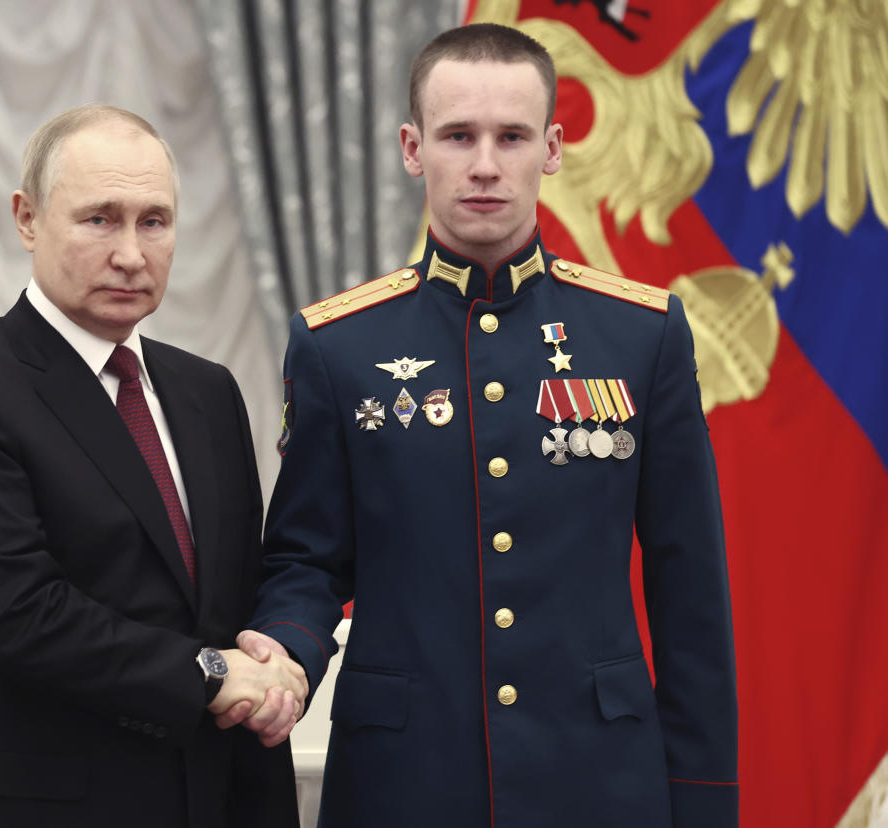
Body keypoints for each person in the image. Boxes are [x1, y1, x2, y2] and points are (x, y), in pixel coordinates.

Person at [236, 22, 737, 828]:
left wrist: (705, 802)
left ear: (553, 147)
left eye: (511, 137)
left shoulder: (642, 335)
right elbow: (308, 555)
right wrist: (287, 648)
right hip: (405, 780)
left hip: (598, 779)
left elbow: (691, 591)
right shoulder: (338, 344)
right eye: (457, 135)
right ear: (411, 147)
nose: (483, 165)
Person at [0, 105, 304, 828]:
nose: (132, 254)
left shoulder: (208, 391)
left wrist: (282, 662)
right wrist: (208, 675)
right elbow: (16, 616)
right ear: (27, 218)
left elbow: (233, 596)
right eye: (99, 220)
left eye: (154, 221)